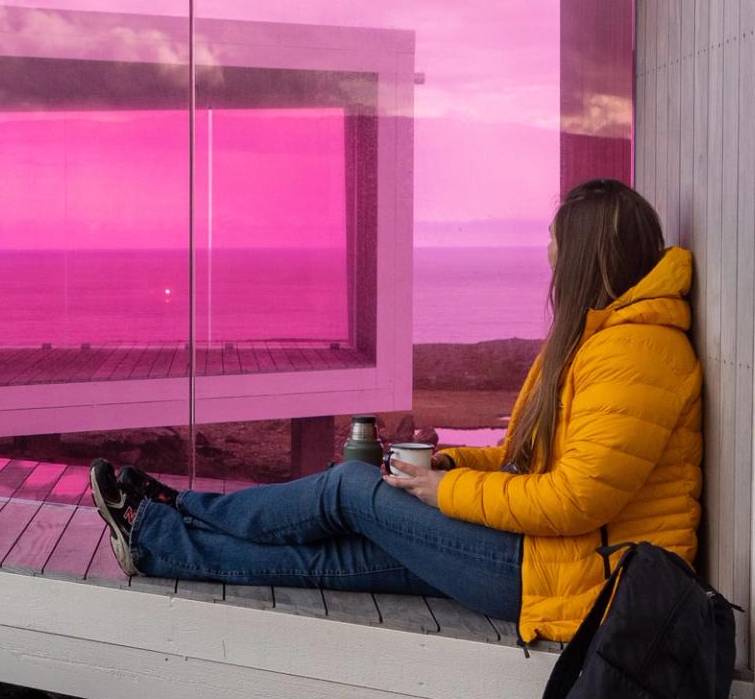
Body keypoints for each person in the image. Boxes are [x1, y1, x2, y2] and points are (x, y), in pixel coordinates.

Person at [91, 180, 700, 644]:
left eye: (555, 239)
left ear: (586, 254)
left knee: (352, 489)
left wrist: (442, 489)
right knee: (341, 556)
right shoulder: (605, 338)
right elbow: (534, 464)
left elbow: (575, 501)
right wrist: (447, 463)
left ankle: (182, 507)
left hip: (570, 579)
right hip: (546, 562)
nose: (547, 253)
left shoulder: (636, 352)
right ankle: (158, 543)